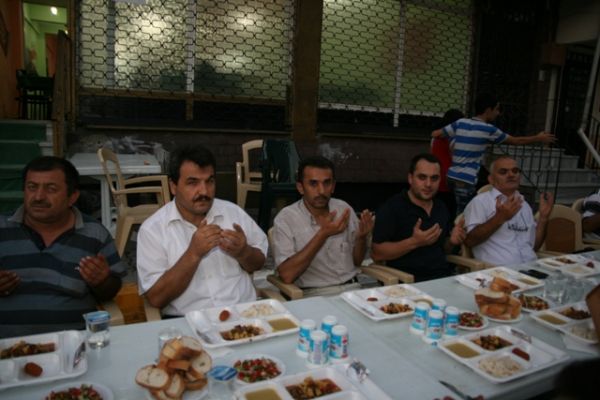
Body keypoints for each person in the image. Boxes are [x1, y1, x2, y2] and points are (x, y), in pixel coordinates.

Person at [0, 156, 125, 338]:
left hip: (72, 344)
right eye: (32, 187)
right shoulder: (2, 228)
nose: (39, 197)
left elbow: (111, 291)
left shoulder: (93, 233)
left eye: (51, 189)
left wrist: (102, 281)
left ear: (72, 196)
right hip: (7, 347)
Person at [137, 145, 267, 316]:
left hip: (244, 315)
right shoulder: (153, 230)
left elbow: (259, 263)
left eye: (209, 181)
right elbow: (156, 298)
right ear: (173, 186)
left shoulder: (232, 213)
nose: (204, 191)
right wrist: (193, 254)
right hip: (188, 322)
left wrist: (243, 252)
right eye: (193, 183)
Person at [431, 93, 555, 214]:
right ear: (488, 110)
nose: (498, 113)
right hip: (466, 179)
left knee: (454, 210)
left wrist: (457, 139)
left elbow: (435, 134)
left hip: (451, 177)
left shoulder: (460, 122)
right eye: (496, 109)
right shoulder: (489, 129)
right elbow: (516, 141)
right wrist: (538, 138)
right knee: (464, 215)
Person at [272, 156, 373, 296]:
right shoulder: (286, 219)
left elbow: (357, 262)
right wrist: (323, 234)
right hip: (312, 295)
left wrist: (361, 238)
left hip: (352, 289)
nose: (321, 191)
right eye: (313, 184)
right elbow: (287, 275)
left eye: (327, 183)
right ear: (300, 187)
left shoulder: (343, 209)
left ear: (333, 186)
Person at [371, 153, 466, 282]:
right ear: (410, 178)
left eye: (434, 178)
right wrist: (414, 242)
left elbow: (442, 249)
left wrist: (451, 242)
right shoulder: (392, 208)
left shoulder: (441, 207)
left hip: (442, 279)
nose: (428, 184)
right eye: (422, 177)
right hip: (407, 284)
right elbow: (377, 253)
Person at [463, 156, 554, 266]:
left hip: (530, 268)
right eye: (503, 172)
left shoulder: (524, 205)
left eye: (515, 171)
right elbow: (470, 241)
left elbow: (533, 247)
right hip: (498, 271)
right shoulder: (481, 202)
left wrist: (543, 218)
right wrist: (500, 218)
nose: (511, 175)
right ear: (491, 179)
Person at [431, 108, 464, 221]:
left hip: (436, 175)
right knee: (451, 209)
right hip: (449, 177)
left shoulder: (436, 137)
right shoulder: (453, 139)